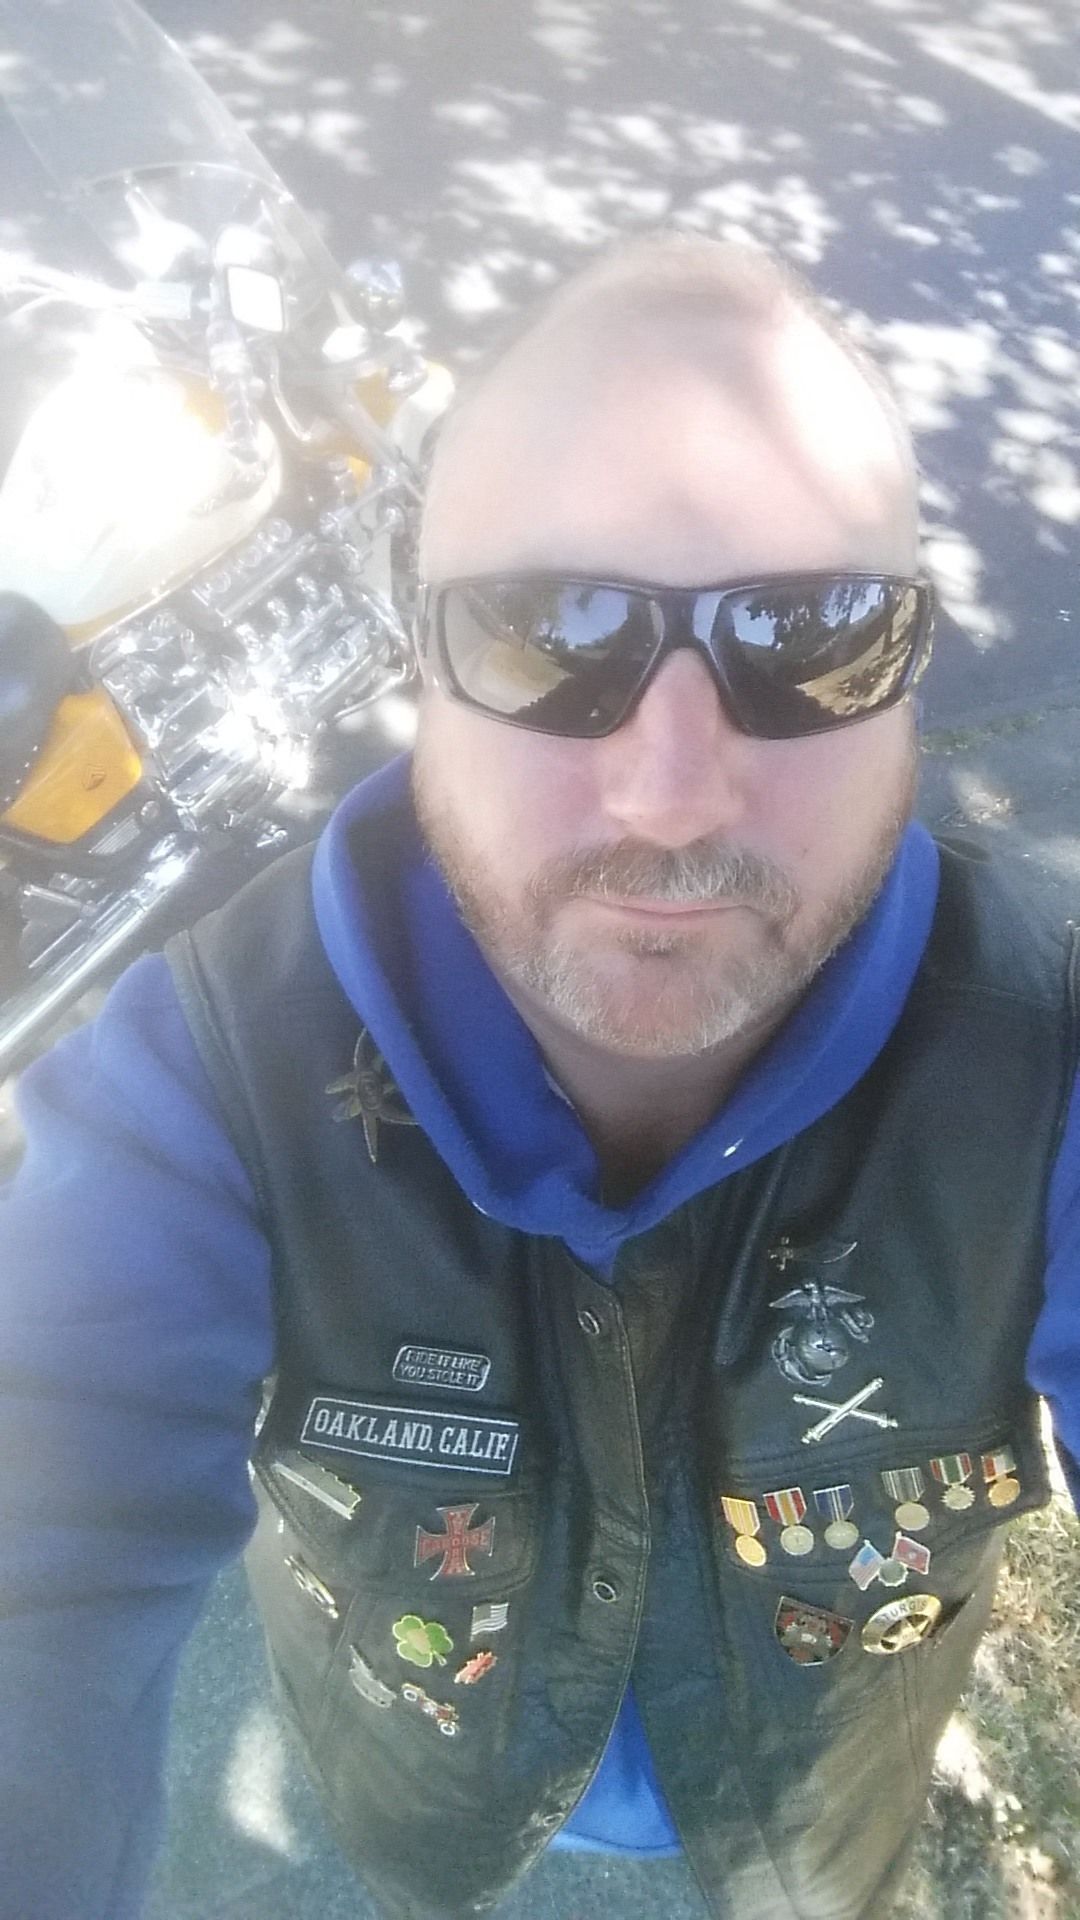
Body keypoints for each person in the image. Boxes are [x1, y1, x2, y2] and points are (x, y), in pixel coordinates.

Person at [1, 231, 1078, 1920]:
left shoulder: (1048, 1058)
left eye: (812, 633)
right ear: (420, 664)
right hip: (422, 1805)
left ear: (908, 674)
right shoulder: (199, 1083)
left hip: (810, 1830)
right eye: (545, 632)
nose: (670, 792)